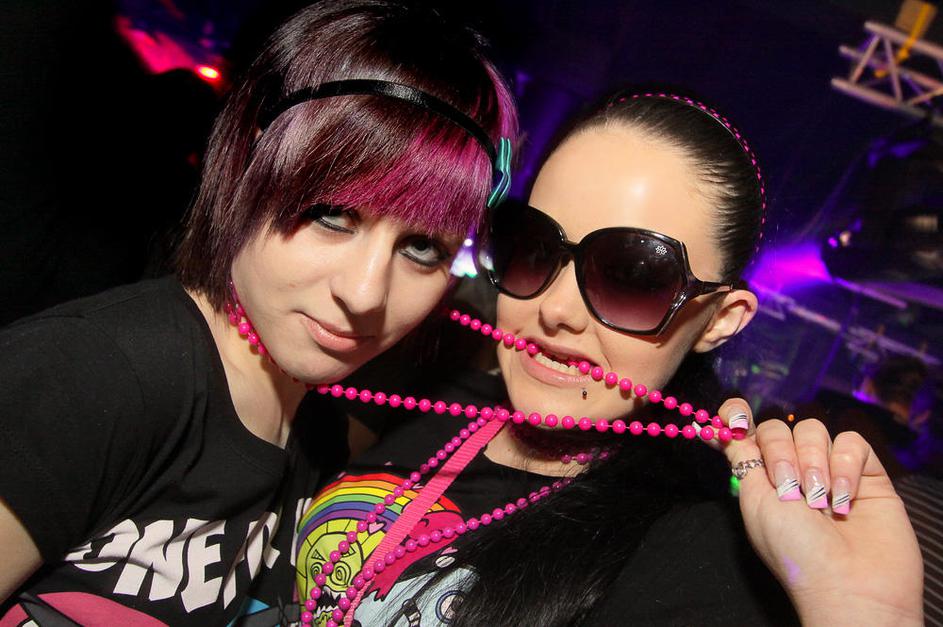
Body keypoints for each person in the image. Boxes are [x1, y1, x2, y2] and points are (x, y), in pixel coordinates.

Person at [296, 92, 924, 626]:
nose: (554, 308)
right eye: (534, 248)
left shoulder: (697, 552)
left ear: (719, 319)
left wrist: (858, 611)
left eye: (632, 275)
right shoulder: (434, 399)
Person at [0, 2, 517, 625]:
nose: (365, 293)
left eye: (421, 247)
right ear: (244, 166)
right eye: (332, 215)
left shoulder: (315, 435)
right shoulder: (91, 377)